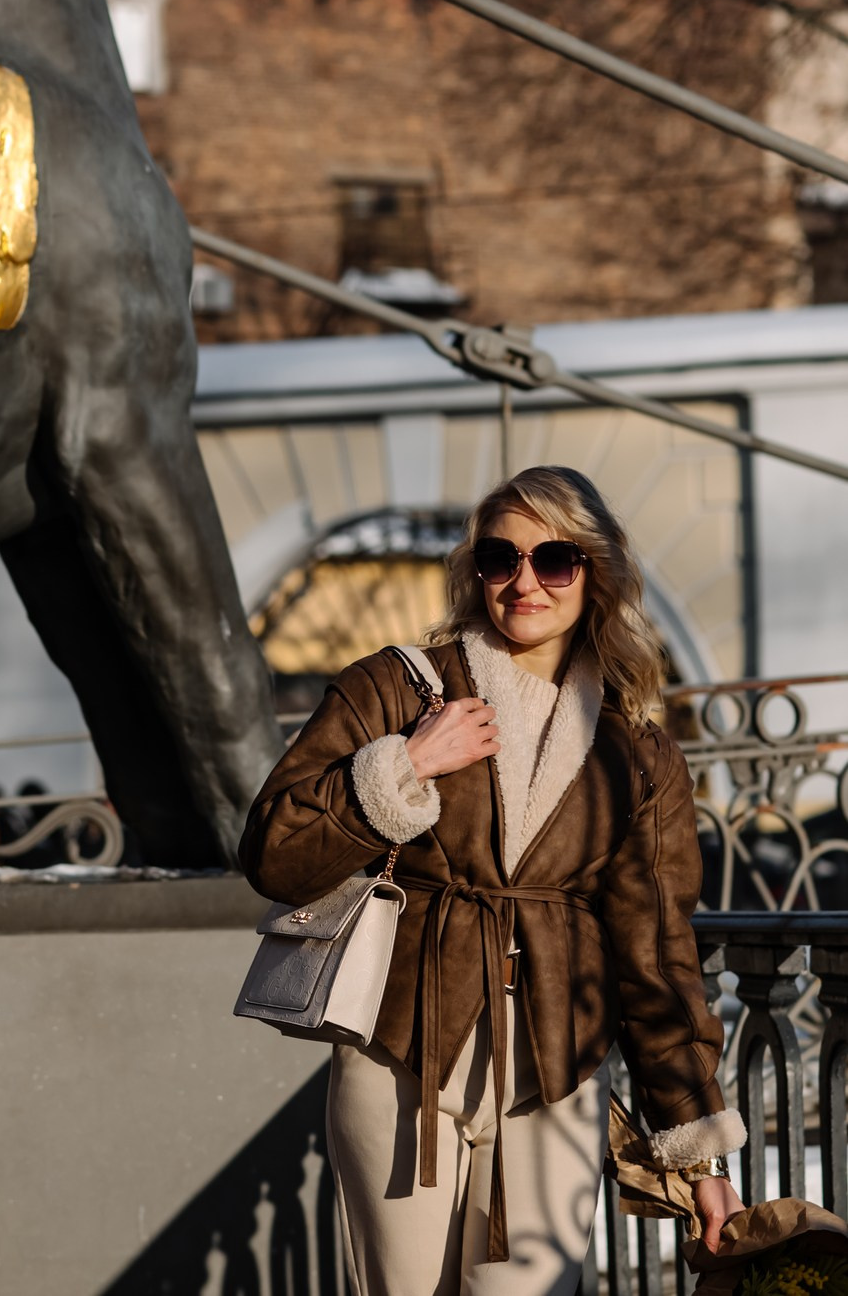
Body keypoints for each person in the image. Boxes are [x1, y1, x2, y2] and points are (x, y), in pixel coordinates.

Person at [239, 465, 746, 1296]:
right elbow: (273, 850)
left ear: (597, 570)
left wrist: (696, 1150)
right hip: (402, 1059)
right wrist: (404, 765)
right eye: (499, 557)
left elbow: (655, 954)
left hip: (556, 1075)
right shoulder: (398, 689)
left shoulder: (637, 749)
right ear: (474, 569)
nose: (523, 582)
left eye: (554, 560)